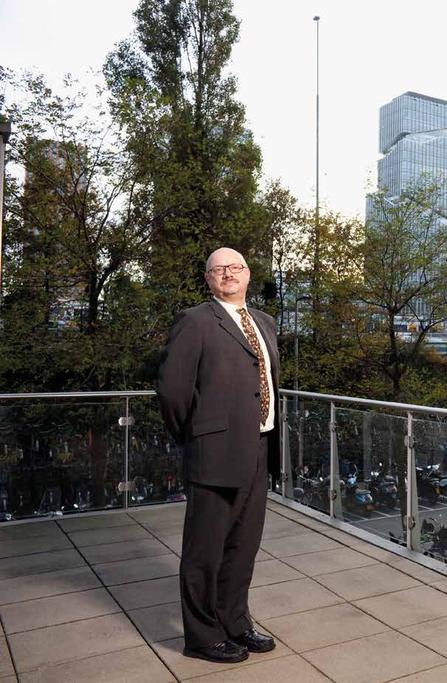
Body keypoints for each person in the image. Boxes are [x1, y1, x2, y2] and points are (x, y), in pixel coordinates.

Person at [157, 248, 280, 664]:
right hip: (214, 453)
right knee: (204, 551)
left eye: (236, 267)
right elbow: (173, 392)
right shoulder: (194, 322)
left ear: (248, 274)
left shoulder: (264, 323)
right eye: (218, 269)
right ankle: (202, 636)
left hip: (259, 447)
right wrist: (196, 439)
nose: (228, 273)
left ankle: (236, 622)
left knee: (243, 546)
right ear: (208, 278)